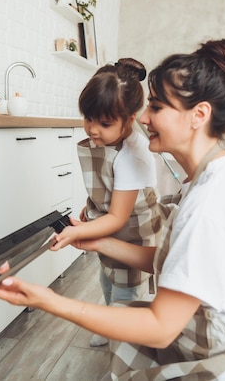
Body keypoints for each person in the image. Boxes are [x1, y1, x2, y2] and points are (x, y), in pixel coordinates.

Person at [0, 39, 225, 380]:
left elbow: (161, 326)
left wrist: (51, 301)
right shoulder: (213, 177)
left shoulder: (210, 205)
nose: (144, 117)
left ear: (199, 115)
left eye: (157, 107)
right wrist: (98, 242)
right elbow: (175, 262)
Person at [54, 58, 162, 347]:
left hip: (132, 231)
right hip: (112, 220)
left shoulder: (132, 155)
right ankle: (110, 320)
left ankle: (122, 343)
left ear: (130, 119)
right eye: (88, 118)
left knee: (125, 290)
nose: (92, 129)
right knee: (107, 277)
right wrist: (91, 211)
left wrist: (78, 231)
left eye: (104, 123)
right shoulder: (106, 140)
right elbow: (105, 191)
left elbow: (117, 217)